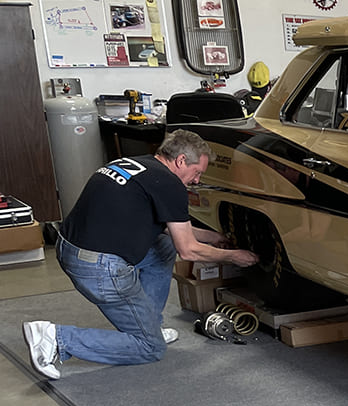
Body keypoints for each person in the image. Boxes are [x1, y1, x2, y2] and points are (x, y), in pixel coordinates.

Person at [22, 129, 258, 380]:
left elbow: (170, 227)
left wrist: (214, 237)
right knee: (150, 348)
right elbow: (188, 250)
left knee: (164, 246)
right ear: (181, 161)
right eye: (197, 172)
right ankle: (57, 338)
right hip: (99, 268)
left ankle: (149, 324)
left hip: (70, 248)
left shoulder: (136, 165)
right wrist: (234, 256)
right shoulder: (170, 185)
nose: (197, 180)